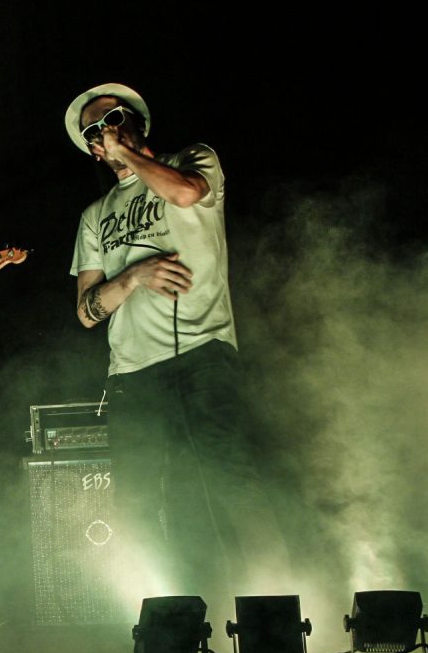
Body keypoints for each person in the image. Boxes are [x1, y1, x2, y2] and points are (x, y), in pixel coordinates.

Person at [65, 82, 284, 603]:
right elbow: (86, 311)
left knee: (231, 482)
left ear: (136, 119)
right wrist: (135, 275)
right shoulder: (94, 216)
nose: (105, 133)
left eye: (112, 119)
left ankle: (277, 605)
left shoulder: (194, 158)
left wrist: (130, 156)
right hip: (132, 371)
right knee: (143, 501)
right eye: (94, 132)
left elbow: (186, 194)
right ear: (92, 148)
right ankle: (177, 617)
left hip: (202, 353)